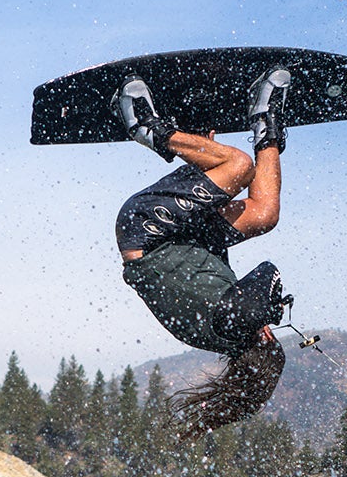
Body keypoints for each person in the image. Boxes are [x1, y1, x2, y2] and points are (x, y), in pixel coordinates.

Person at [113, 68, 293, 438]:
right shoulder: (220, 335)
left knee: (239, 167)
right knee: (265, 214)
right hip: (188, 240)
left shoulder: (236, 321)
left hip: (147, 231)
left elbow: (268, 272)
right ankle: (265, 121)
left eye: (272, 336)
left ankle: (146, 128)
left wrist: (273, 308)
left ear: (266, 341)